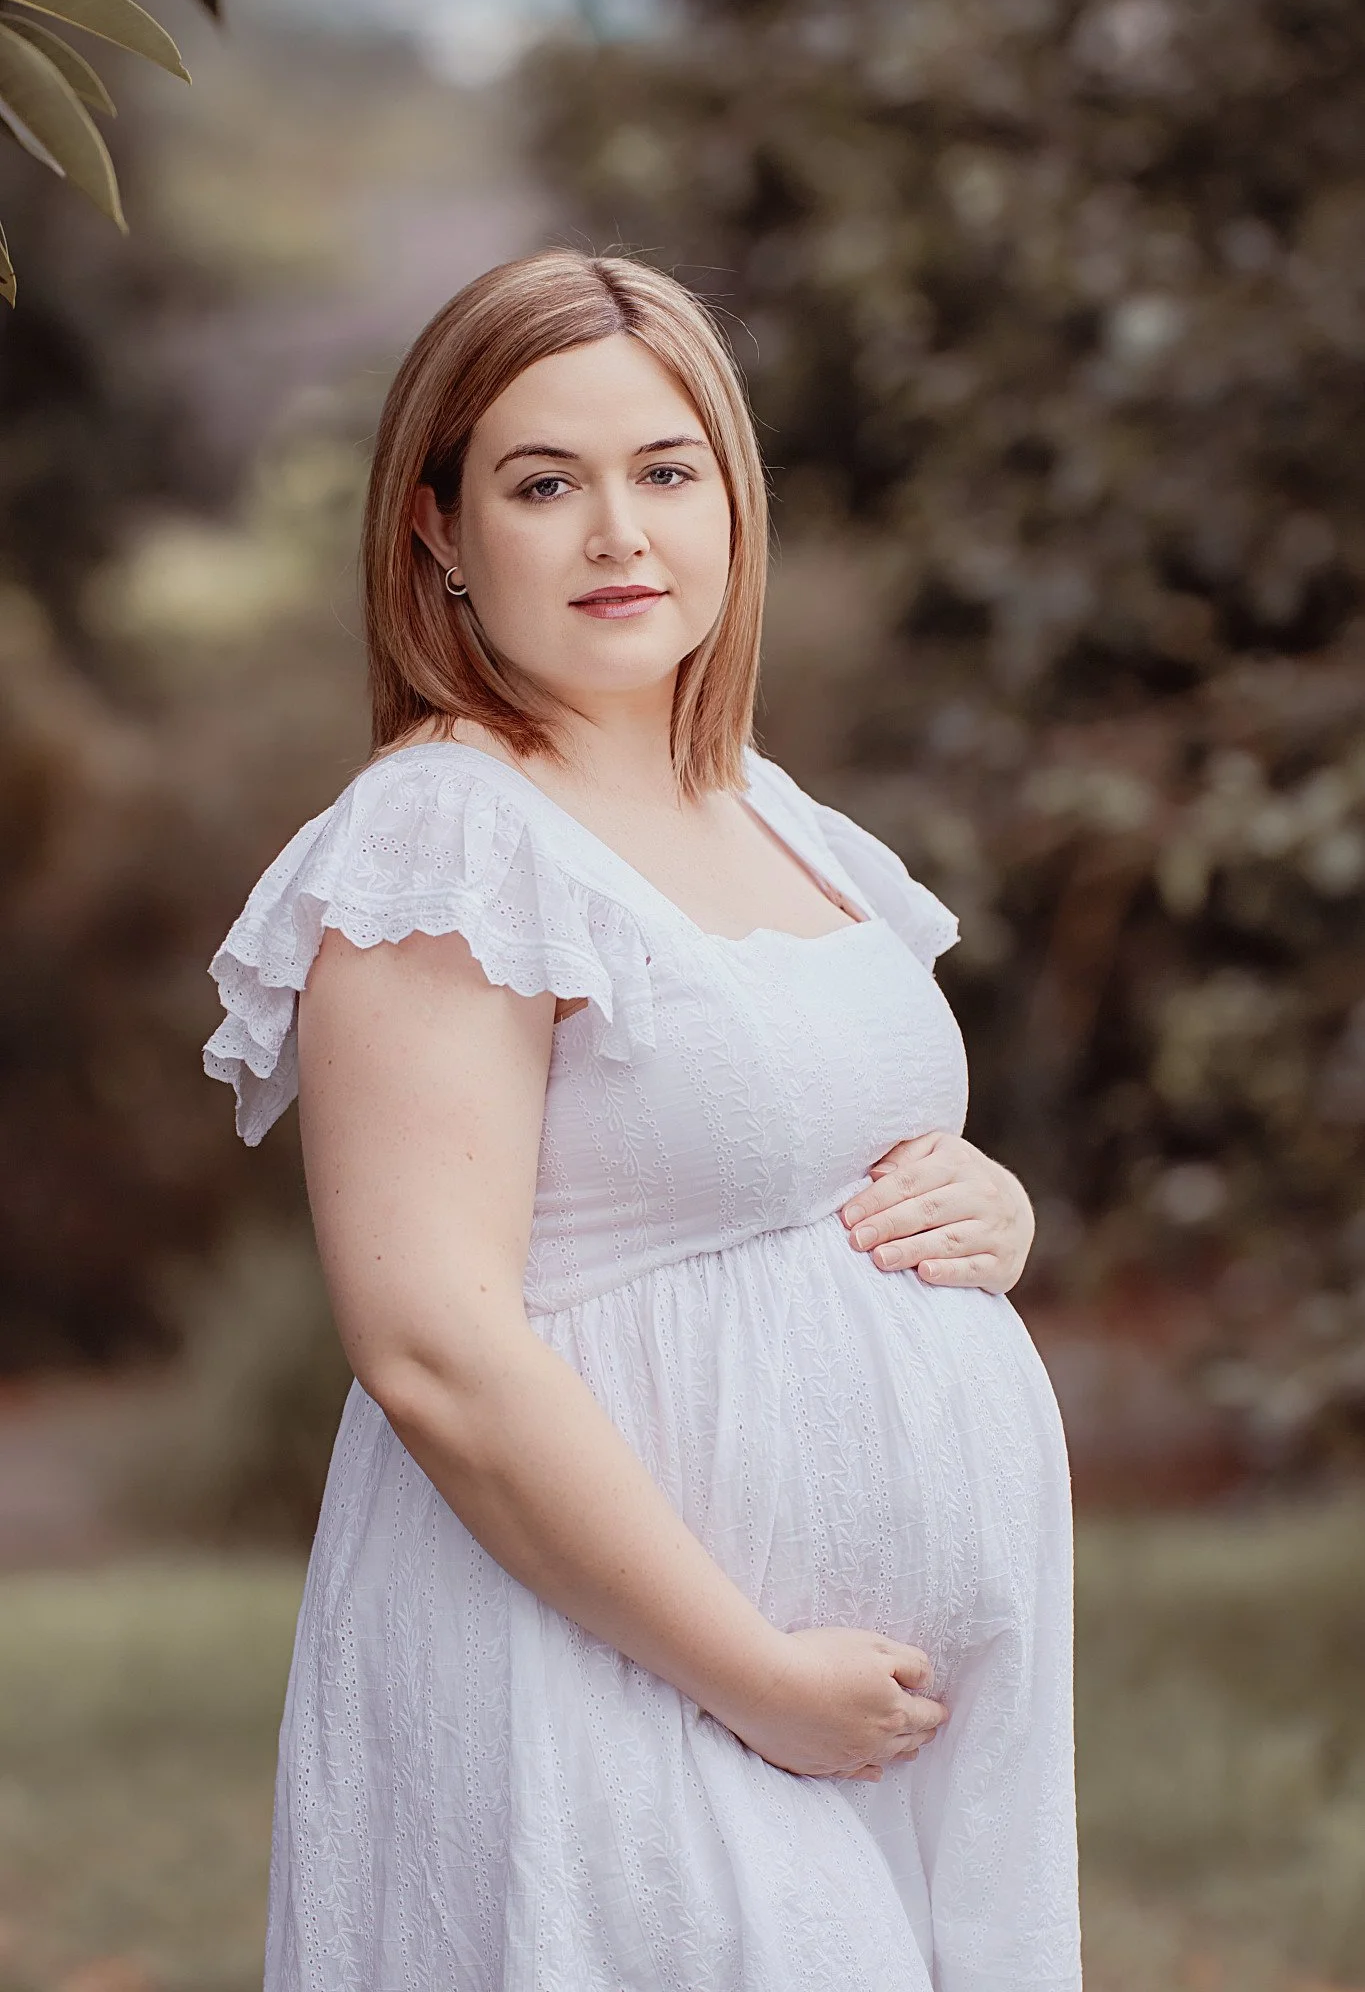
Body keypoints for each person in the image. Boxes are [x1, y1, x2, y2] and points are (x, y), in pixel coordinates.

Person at [204, 249, 1081, 1992]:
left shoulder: (772, 810)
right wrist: (750, 1671)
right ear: (436, 534)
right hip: (610, 1679)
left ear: (732, 502)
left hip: (863, 1716)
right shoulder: (440, 844)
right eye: (545, 484)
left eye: (665, 471)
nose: (620, 532)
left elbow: (804, 1144)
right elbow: (432, 1343)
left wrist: (996, 1215)